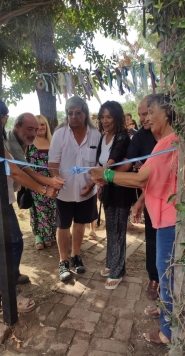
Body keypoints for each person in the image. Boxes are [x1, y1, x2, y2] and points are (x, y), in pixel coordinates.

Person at [90, 93, 178, 345]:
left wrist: (106, 176)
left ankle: (167, 332)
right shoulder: (166, 142)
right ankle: (165, 313)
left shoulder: (169, 142)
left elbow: (141, 179)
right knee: (165, 272)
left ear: (167, 113)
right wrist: (140, 201)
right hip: (163, 216)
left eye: (151, 112)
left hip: (168, 220)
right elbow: (157, 180)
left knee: (166, 274)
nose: (147, 119)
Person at [0, 98, 56, 313]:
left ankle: (6, 283)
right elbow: (15, 171)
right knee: (10, 244)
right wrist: (43, 189)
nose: (2, 120)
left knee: (7, 244)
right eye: (1, 116)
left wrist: (47, 182)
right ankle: (4, 294)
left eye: (4, 116)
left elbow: (19, 169)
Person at [5, 112, 65, 280]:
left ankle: (12, 276)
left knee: (14, 242)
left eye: (36, 128)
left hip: (6, 195)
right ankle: (4, 285)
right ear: (16, 126)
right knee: (13, 242)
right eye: (29, 128)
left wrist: (50, 182)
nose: (33, 133)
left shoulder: (20, 140)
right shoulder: (9, 141)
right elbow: (20, 171)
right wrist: (44, 188)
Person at [48, 96, 100, 281]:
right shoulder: (59, 134)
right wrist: (56, 180)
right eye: (70, 113)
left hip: (87, 190)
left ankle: (76, 255)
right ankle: (63, 261)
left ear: (85, 113)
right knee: (63, 226)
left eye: (78, 113)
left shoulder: (95, 135)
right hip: (65, 190)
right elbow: (53, 162)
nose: (74, 116)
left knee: (80, 224)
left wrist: (92, 183)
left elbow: (98, 164)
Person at [119, 96, 160, 300]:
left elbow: (151, 174)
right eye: (141, 114)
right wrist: (111, 173)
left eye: (148, 113)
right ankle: (154, 278)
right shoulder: (140, 137)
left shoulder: (168, 138)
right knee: (151, 238)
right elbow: (129, 161)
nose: (143, 118)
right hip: (151, 196)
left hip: (166, 198)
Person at [96, 101, 136, 289]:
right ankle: (111, 263)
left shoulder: (122, 137)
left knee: (119, 230)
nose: (105, 120)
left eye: (109, 116)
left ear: (117, 118)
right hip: (107, 189)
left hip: (120, 189)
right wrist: (98, 184)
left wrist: (103, 173)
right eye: (102, 116)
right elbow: (100, 162)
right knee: (110, 228)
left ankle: (118, 270)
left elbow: (113, 159)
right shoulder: (102, 137)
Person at [27, 115, 56, 250]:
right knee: (38, 209)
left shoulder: (53, 142)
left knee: (51, 208)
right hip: (35, 182)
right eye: (38, 125)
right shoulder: (29, 143)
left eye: (43, 124)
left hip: (52, 181)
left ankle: (49, 234)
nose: (41, 127)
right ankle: (39, 236)